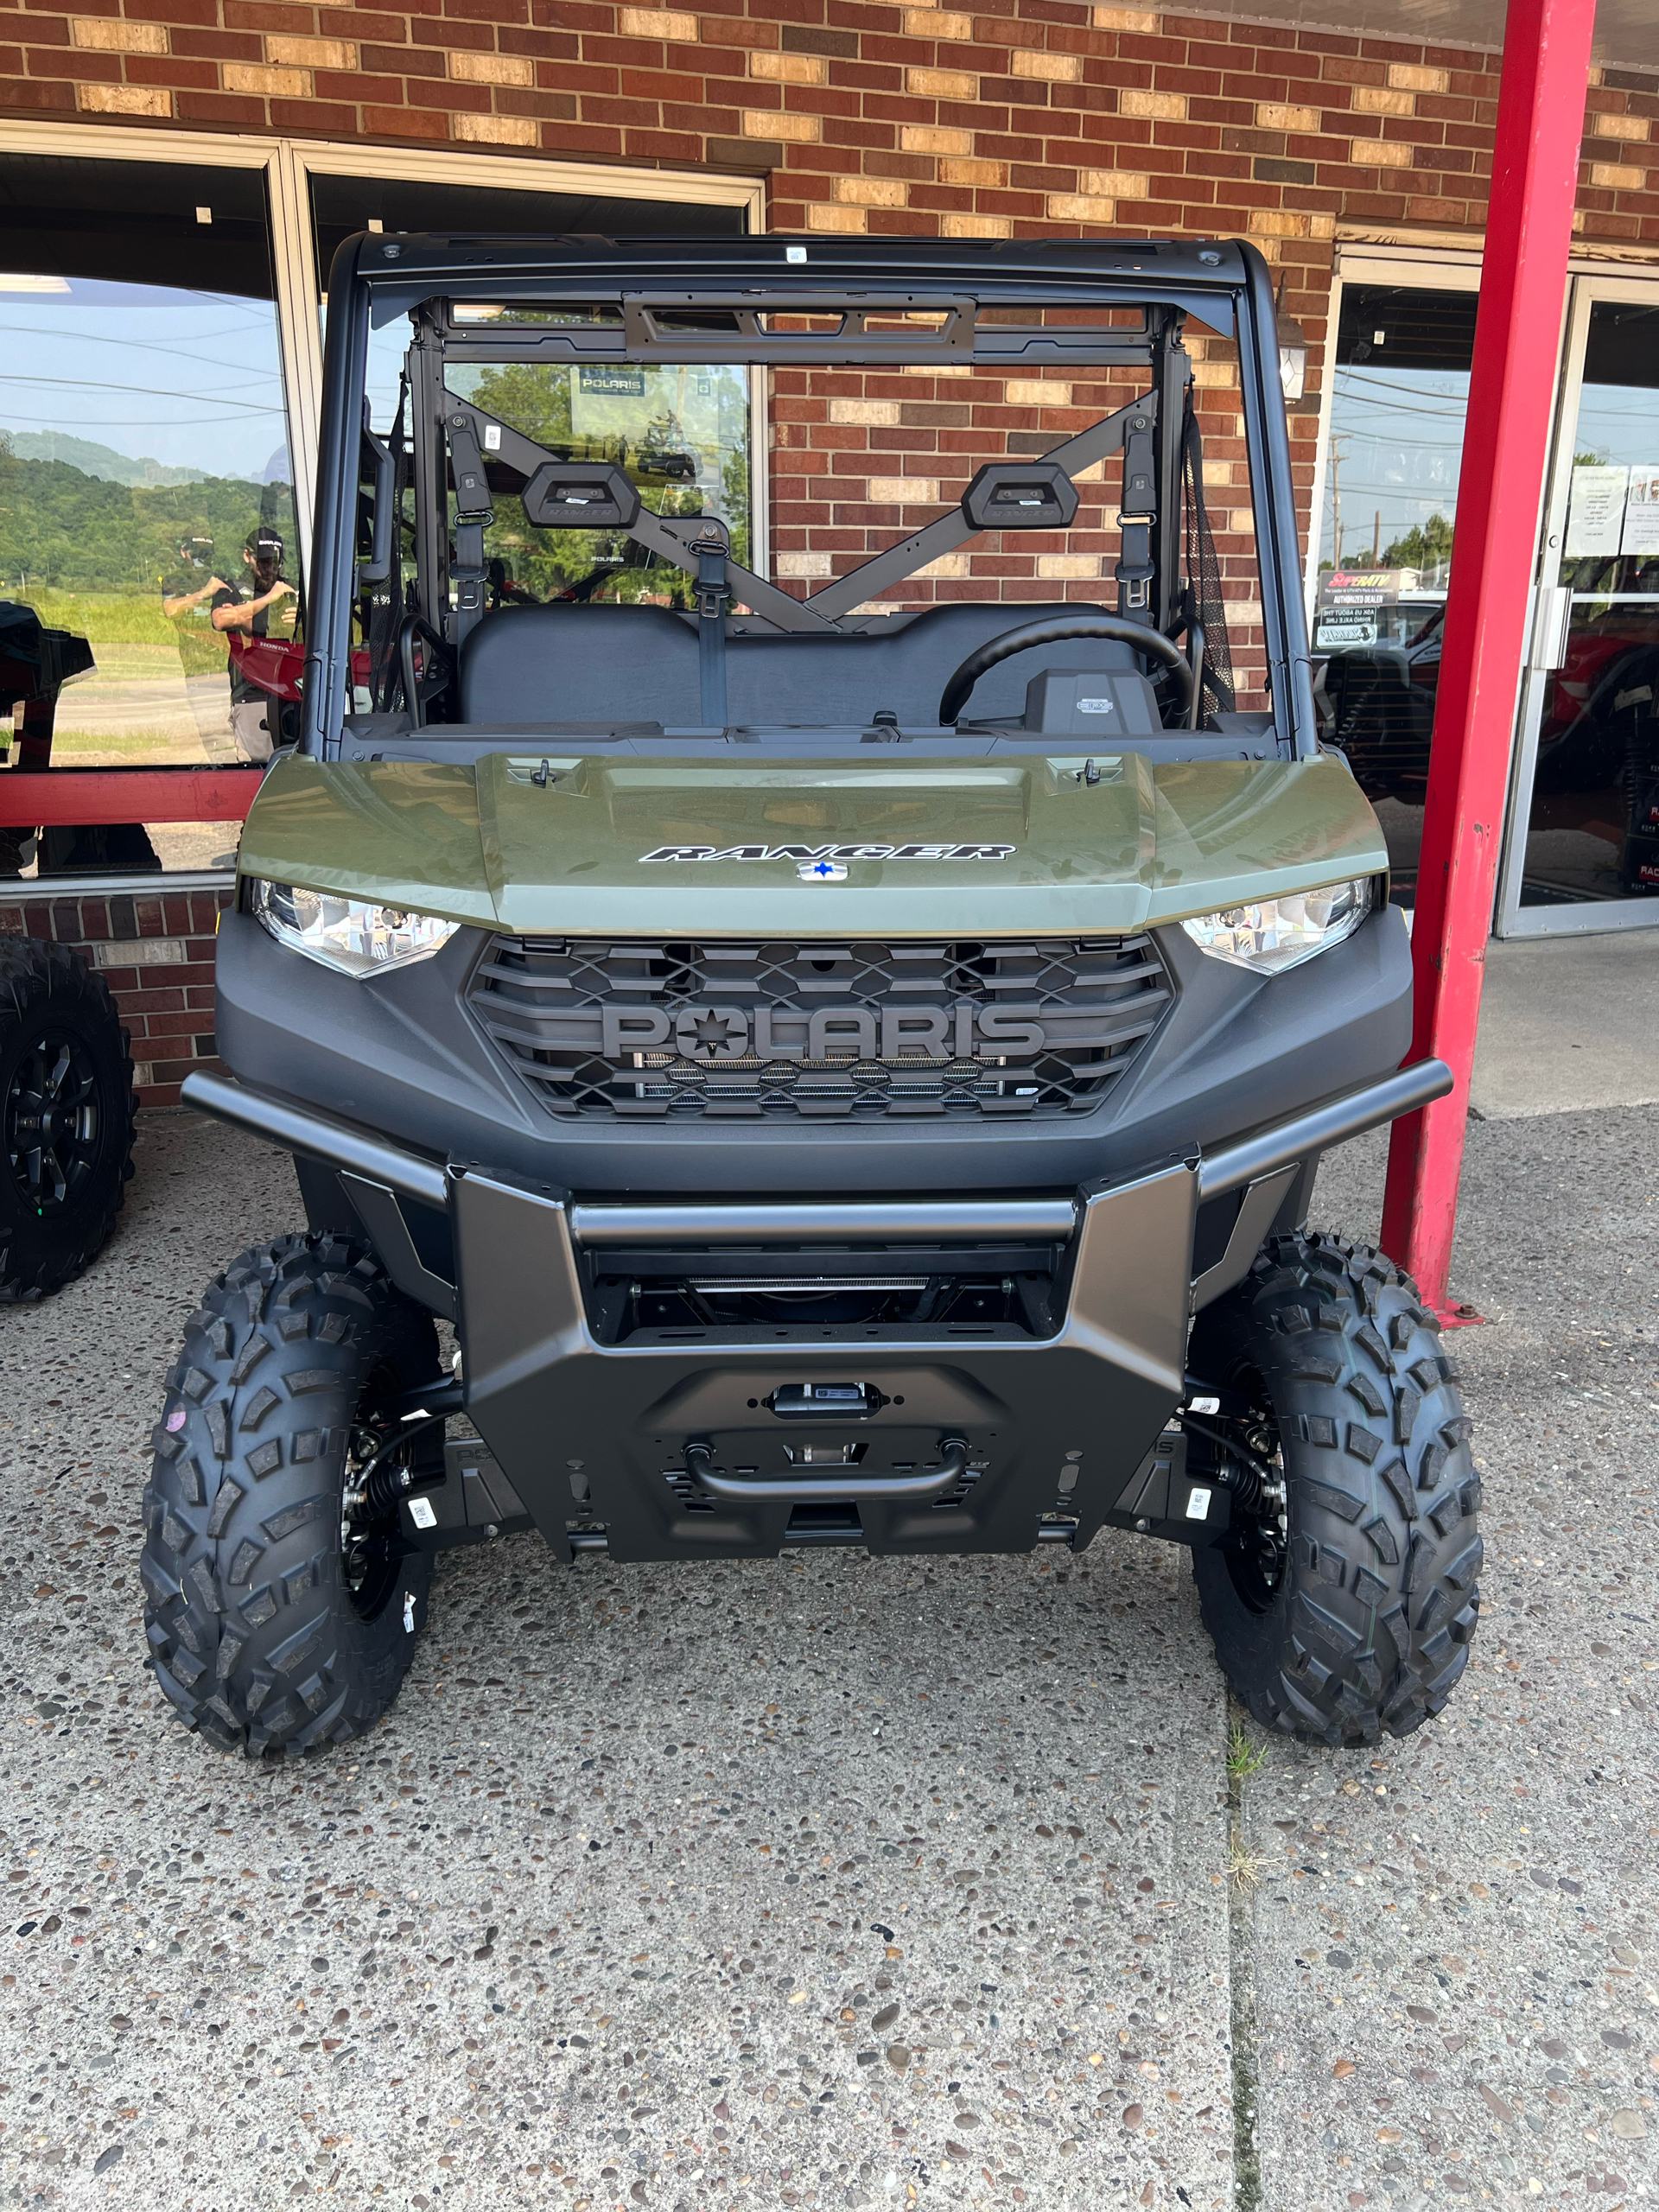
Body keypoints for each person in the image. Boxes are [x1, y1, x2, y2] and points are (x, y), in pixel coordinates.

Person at [211, 525, 297, 765]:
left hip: (295, 692)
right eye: (264, 562)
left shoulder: (292, 589)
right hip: (251, 693)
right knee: (257, 766)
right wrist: (270, 600)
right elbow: (221, 620)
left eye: (276, 563)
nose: (270, 569)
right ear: (247, 556)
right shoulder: (232, 588)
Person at [159, 536, 226, 619]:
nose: (200, 561)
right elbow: (169, 611)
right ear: (183, 551)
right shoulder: (174, 580)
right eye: (195, 555)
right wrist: (203, 594)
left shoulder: (222, 580)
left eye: (205, 554)